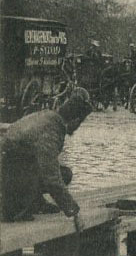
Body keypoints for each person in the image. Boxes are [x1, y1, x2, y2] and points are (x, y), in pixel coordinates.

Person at [1, 91, 93, 233]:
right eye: (79, 122)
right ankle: (18, 207)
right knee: (55, 175)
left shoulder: (48, 116)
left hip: (13, 166)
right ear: (75, 120)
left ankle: (36, 203)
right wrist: (74, 211)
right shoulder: (51, 132)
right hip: (10, 173)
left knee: (65, 174)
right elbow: (51, 179)